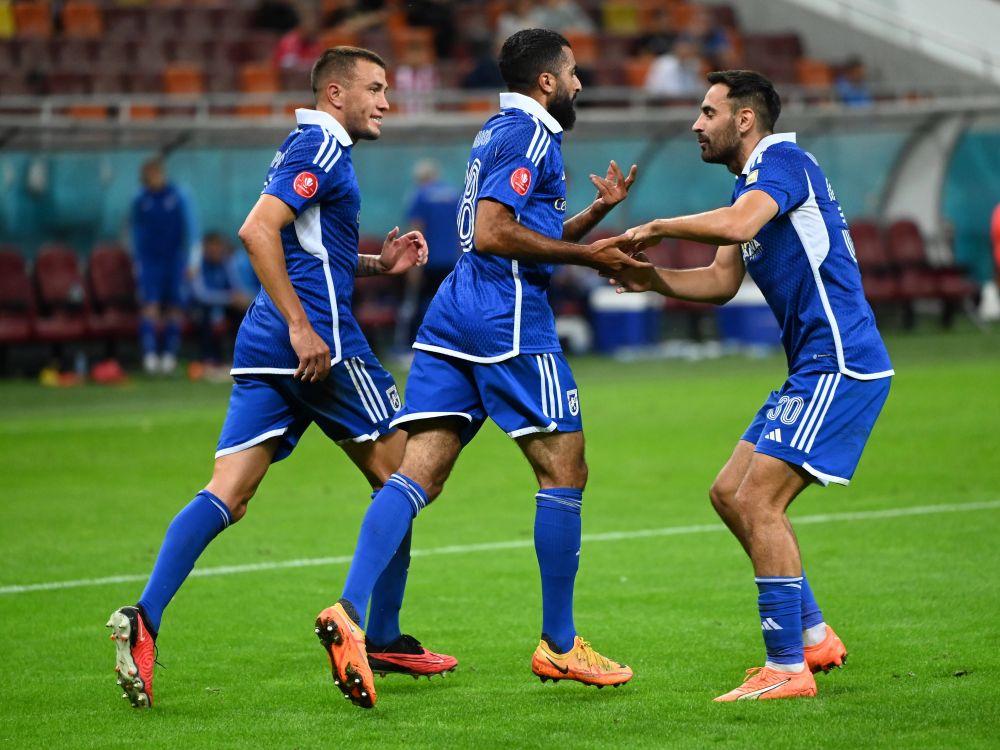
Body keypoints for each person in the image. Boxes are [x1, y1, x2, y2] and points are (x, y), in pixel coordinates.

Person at [105, 46, 456, 710]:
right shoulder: (320, 149)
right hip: (319, 346)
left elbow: (306, 247)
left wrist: (379, 264)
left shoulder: (310, 148)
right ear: (334, 95)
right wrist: (303, 327)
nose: (386, 101)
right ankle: (372, 628)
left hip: (266, 345)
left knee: (228, 494)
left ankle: (145, 619)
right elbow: (257, 230)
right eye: (375, 89)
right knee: (405, 478)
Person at [316, 28, 650, 710]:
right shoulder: (532, 136)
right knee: (564, 469)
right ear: (547, 81)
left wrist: (595, 217)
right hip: (507, 321)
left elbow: (518, 236)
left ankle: (349, 611)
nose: (581, 83)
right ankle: (560, 645)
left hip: (453, 315)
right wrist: (600, 259)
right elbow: (498, 235)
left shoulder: (495, 130)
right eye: (574, 72)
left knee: (418, 474)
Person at [606, 70, 894, 701]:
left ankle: (787, 668)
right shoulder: (751, 185)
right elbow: (719, 281)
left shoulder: (783, 162)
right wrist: (652, 280)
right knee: (730, 494)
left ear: (744, 120)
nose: (695, 124)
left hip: (841, 362)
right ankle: (813, 637)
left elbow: (738, 226)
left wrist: (656, 225)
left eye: (707, 112)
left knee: (761, 502)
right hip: (811, 368)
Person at [130, 157, 197, 375]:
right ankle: (150, 357)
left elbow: (192, 227)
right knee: (150, 307)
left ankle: (169, 356)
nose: (149, 179)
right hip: (150, 261)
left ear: (160, 173)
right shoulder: (140, 199)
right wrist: (136, 262)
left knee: (175, 308)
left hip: (174, 260)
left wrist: (193, 261)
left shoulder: (178, 195)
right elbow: (134, 232)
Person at [395, 158, 461, 348]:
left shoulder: (419, 195)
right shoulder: (454, 194)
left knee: (418, 302)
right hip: (451, 260)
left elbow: (417, 231)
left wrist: (413, 267)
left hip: (428, 262)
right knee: (448, 305)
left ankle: (412, 345)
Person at [187, 231, 252, 375]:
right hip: (198, 308)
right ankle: (208, 360)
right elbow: (201, 295)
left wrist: (241, 298)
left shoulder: (226, 262)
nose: (217, 252)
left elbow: (236, 286)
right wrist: (230, 299)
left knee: (243, 314)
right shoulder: (197, 263)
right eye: (213, 248)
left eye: (219, 248)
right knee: (204, 315)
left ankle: (239, 358)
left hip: (222, 306)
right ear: (205, 248)